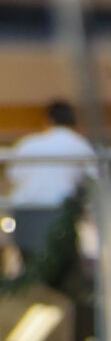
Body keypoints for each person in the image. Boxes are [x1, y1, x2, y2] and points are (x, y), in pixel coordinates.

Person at [5, 99, 96, 258]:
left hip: (26, 211)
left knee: (30, 263)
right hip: (61, 213)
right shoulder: (80, 145)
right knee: (62, 262)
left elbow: (13, 176)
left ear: (48, 120)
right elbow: (94, 179)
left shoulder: (28, 143)